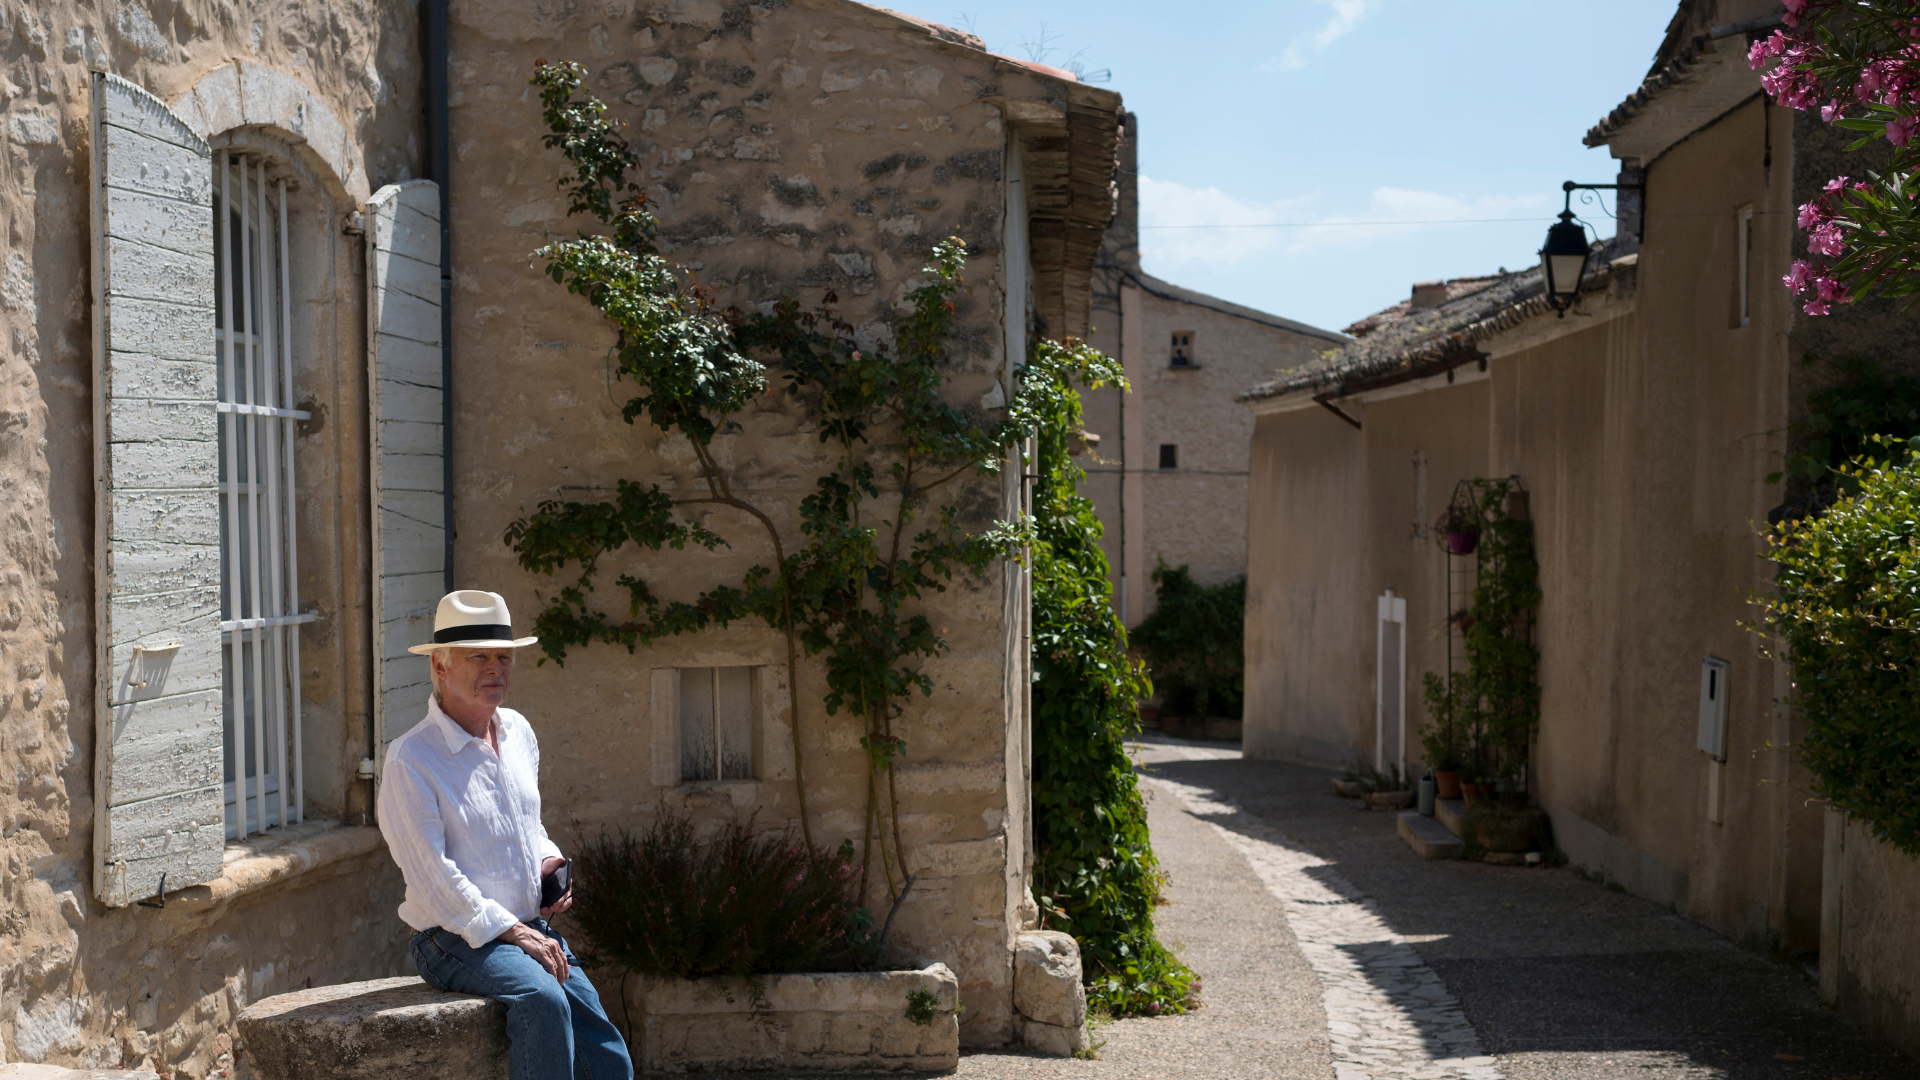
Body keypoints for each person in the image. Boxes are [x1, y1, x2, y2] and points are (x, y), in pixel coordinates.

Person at [376, 590, 633, 1080]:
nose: (496, 669)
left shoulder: (517, 731)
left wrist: (548, 862)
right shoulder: (411, 759)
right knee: (542, 999)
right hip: (450, 937)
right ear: (439, 666)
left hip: (526, 930)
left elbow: (527, 826)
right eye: (479, 657)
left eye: (504, 657)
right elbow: (432, 878)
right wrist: (514, 931)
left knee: (608, 1056)